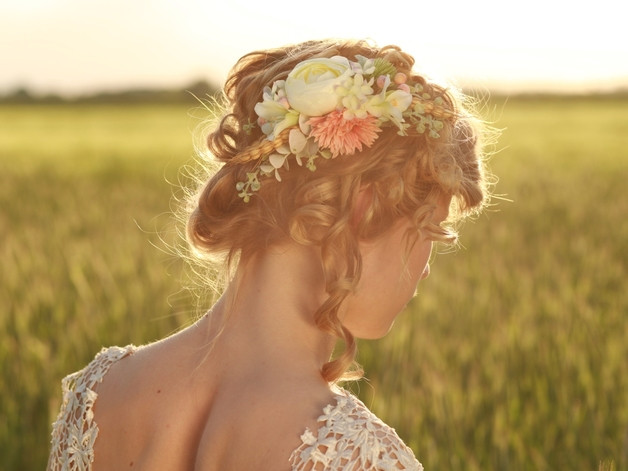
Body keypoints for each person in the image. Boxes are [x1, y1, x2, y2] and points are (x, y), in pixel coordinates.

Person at [47, 38, 493, 470]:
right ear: (366, 208)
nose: (428, 267)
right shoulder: (356, 458)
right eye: (432, 230)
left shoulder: (100, 392)